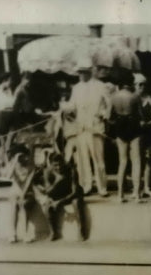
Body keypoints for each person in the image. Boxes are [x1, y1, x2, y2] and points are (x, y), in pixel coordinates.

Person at [68, 62, 109, 196]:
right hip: (81, 127)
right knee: (82, 158)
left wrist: (103, 115)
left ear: (90, 72)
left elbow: (109, 104)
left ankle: (102, 187)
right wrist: (63, 109)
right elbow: (72, 105)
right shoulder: (76, 88)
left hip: (95, 126)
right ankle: (86, 185)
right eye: (79, 72)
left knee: (98, 158)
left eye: (83, 72)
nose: (81, 75)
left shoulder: (100, 86)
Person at [35, 152, 86, 241]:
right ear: (51, 164)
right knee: (47, 205)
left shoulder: (71, 170)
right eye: (55, 165)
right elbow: (48, 192)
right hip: (57, 193)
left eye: (60, 164)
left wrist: (60, 202)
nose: (59, 167)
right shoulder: (47, 171)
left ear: (63, 162)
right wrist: (58, 180)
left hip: (72, 193)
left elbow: (74, 191)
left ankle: (81, 230)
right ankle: (53, 232)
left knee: (76, 202)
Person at [108, 73, 142, 202]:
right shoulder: (135, 96)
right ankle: (137, 194)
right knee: (136, 161)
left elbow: (108, 117)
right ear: (131, 83)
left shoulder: (113, 97)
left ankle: (120, 195)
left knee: (122, 162)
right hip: (133, 126)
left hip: (120, 127)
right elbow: (140, 115)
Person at [134, 74, 151, 199]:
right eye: (138, 84)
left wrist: (147, 124)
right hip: (136, 134)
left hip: (149, 134)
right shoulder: (132, 99)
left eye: (143, 84)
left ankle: (147, 188)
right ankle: (136, 189)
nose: (141, 87)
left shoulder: (150, 99)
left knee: (149, 161)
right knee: (137, 161)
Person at [7, 147, 37, 243]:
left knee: (23, 204)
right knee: (14, 204)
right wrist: (14, 162)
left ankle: (25, 233)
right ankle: (13, 234)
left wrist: (23, 195)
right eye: (19, 156)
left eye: (24, 156)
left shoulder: (31, 166)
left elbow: (28, 183)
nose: (23, 158)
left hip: (27, 192)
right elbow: (8, 176)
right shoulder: (13, 165)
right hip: (15, 192)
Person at [0, 72, 15, 164]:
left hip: (11, 115)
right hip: (2, 116)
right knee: (3, 143)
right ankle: (3, 162)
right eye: (9, 81)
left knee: (10, 140)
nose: (11, 82)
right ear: (4, 81)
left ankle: (9, 159)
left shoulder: (10, 91)